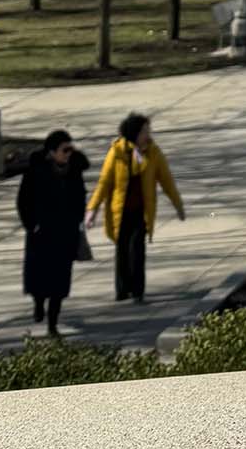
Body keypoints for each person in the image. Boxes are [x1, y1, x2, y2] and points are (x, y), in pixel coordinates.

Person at [85, 113, 185, 304]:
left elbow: (166, 180)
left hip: (141, 212)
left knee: (137, 250)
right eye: (145, 131)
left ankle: (138, 292)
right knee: (122, 250)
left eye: (149, 130)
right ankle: (122, 290)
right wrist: (92, 209)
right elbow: (104, 183)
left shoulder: (154, 153)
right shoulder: (117, 152)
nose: (148, 134)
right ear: (134, 133)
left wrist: (177, 204)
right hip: (120, 212)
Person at [16, 129, 88, 337]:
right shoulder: (35, 171)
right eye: (64, 150)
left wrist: (78, 219)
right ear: (51, 152)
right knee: (40, 278)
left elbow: (80, 197)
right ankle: (38, 303)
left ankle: (52, 324)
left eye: (70, 149)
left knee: (59, 282)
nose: (68, 154)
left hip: (65, 233)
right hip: (41, 234)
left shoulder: (74, 170)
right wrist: (32, 225)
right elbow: (23, 201)